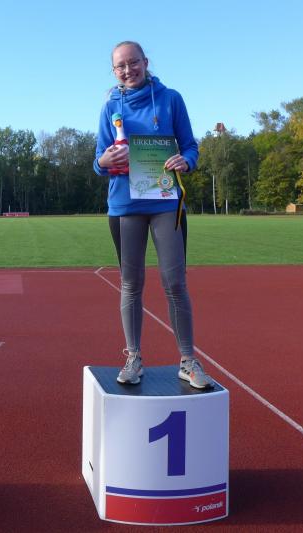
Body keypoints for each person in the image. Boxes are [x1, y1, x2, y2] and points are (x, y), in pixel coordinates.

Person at [93, 41, 212, 388]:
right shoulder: (109, 106)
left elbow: (190, 146)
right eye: (120, 66)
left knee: (175, 283)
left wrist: (186, 160)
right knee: (131, 284)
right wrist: (104, 161)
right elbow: (99, 159)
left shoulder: (171, 99)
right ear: (113, 71)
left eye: (133, 62)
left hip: (165, 203)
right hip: (125, 206)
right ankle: (133, 357)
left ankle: (187, 359)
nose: (127, 70)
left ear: (145, 62)